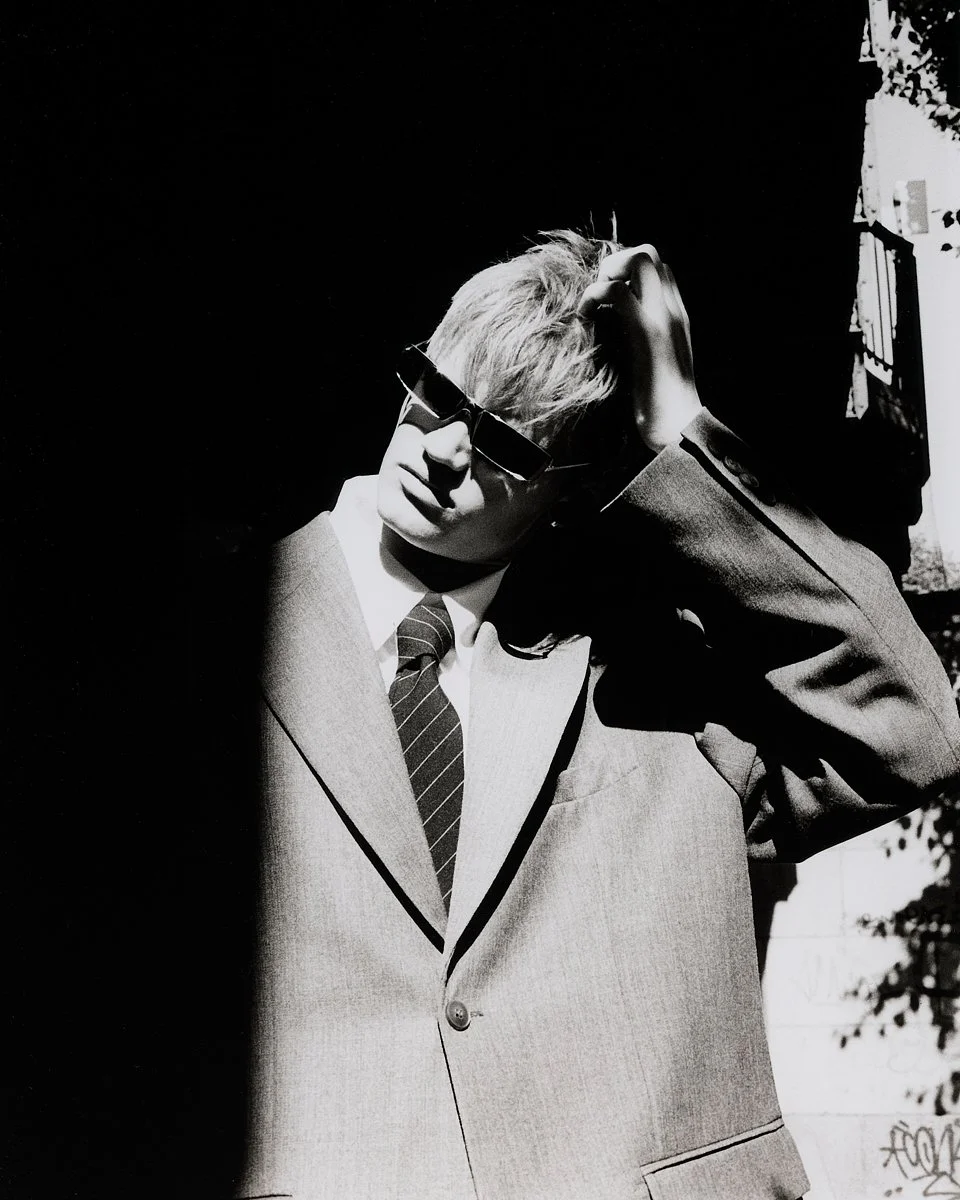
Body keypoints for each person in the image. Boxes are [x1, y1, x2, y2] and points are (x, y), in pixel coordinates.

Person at [239, 231, 960, 1200]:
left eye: (503, 445)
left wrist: (682, 429)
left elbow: (910, 726)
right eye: (436, 394)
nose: (445, 449)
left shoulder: (653, 692)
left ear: (564, 493)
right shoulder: (197, 645)